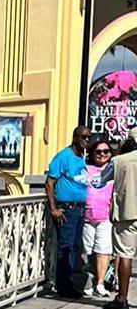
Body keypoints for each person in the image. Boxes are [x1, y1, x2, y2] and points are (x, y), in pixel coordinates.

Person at [46, 126, 91, 298]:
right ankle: (63, 285)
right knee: (65, 247)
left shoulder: (81, 158)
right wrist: (53, 208)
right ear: (75, 137)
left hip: (79, 209)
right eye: (83, 137)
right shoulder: (64, 156)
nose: (86, 140)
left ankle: (67, 282)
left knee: (73, 247)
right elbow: (49, 183)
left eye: (89, 137)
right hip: (67, 208)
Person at [83, 140, 116, 298]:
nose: (102, 154)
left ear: (110, 153)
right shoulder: (86, 168)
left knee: (103, 250)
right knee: (89, 251)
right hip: (87, 215)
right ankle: (92, 279)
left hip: (105, 216)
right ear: (92, 153)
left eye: (105, 151)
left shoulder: (114, 169)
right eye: (98, 151)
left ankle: (100, 284)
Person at [110, 132, 137, 309]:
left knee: (125, 255)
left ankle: (122, 298)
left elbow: (99, 181)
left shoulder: (120, 160)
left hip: (128, 211)